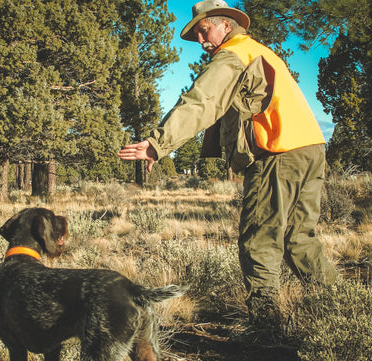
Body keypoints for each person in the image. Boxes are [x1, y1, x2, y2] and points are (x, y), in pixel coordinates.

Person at [118, 0, 338, 331]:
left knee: (259, 240)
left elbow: (201, 102)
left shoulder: (234, 54)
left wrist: (158, 143)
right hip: (310, 148)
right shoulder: (259, 51)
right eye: (197, 36)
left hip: (277, 153)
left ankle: (266, 331)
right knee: (299, 237)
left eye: (204, 31)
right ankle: (336, 314)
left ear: (225, 25)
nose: (202, 42)